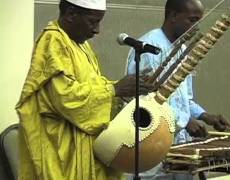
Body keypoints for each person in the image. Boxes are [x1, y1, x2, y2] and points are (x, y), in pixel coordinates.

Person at [15, 0, 152, 179]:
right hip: (60, 152)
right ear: (71, 14)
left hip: (85, 145)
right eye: (93, 22)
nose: (97, 30)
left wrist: (126, 88)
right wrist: (114, 90)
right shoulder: (53, 41)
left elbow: (92, 85)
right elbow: (66, 97)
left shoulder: (80, 44)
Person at [126, 0, 230, 179]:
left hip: (180, 152)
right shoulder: (147, 48)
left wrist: (205, 116)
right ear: (173, 16)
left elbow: (183, 99)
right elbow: (142, 102)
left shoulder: (183, 50)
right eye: (192, 20)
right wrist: (184, 122)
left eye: (199, 21)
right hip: (153, 152)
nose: (196, 26)